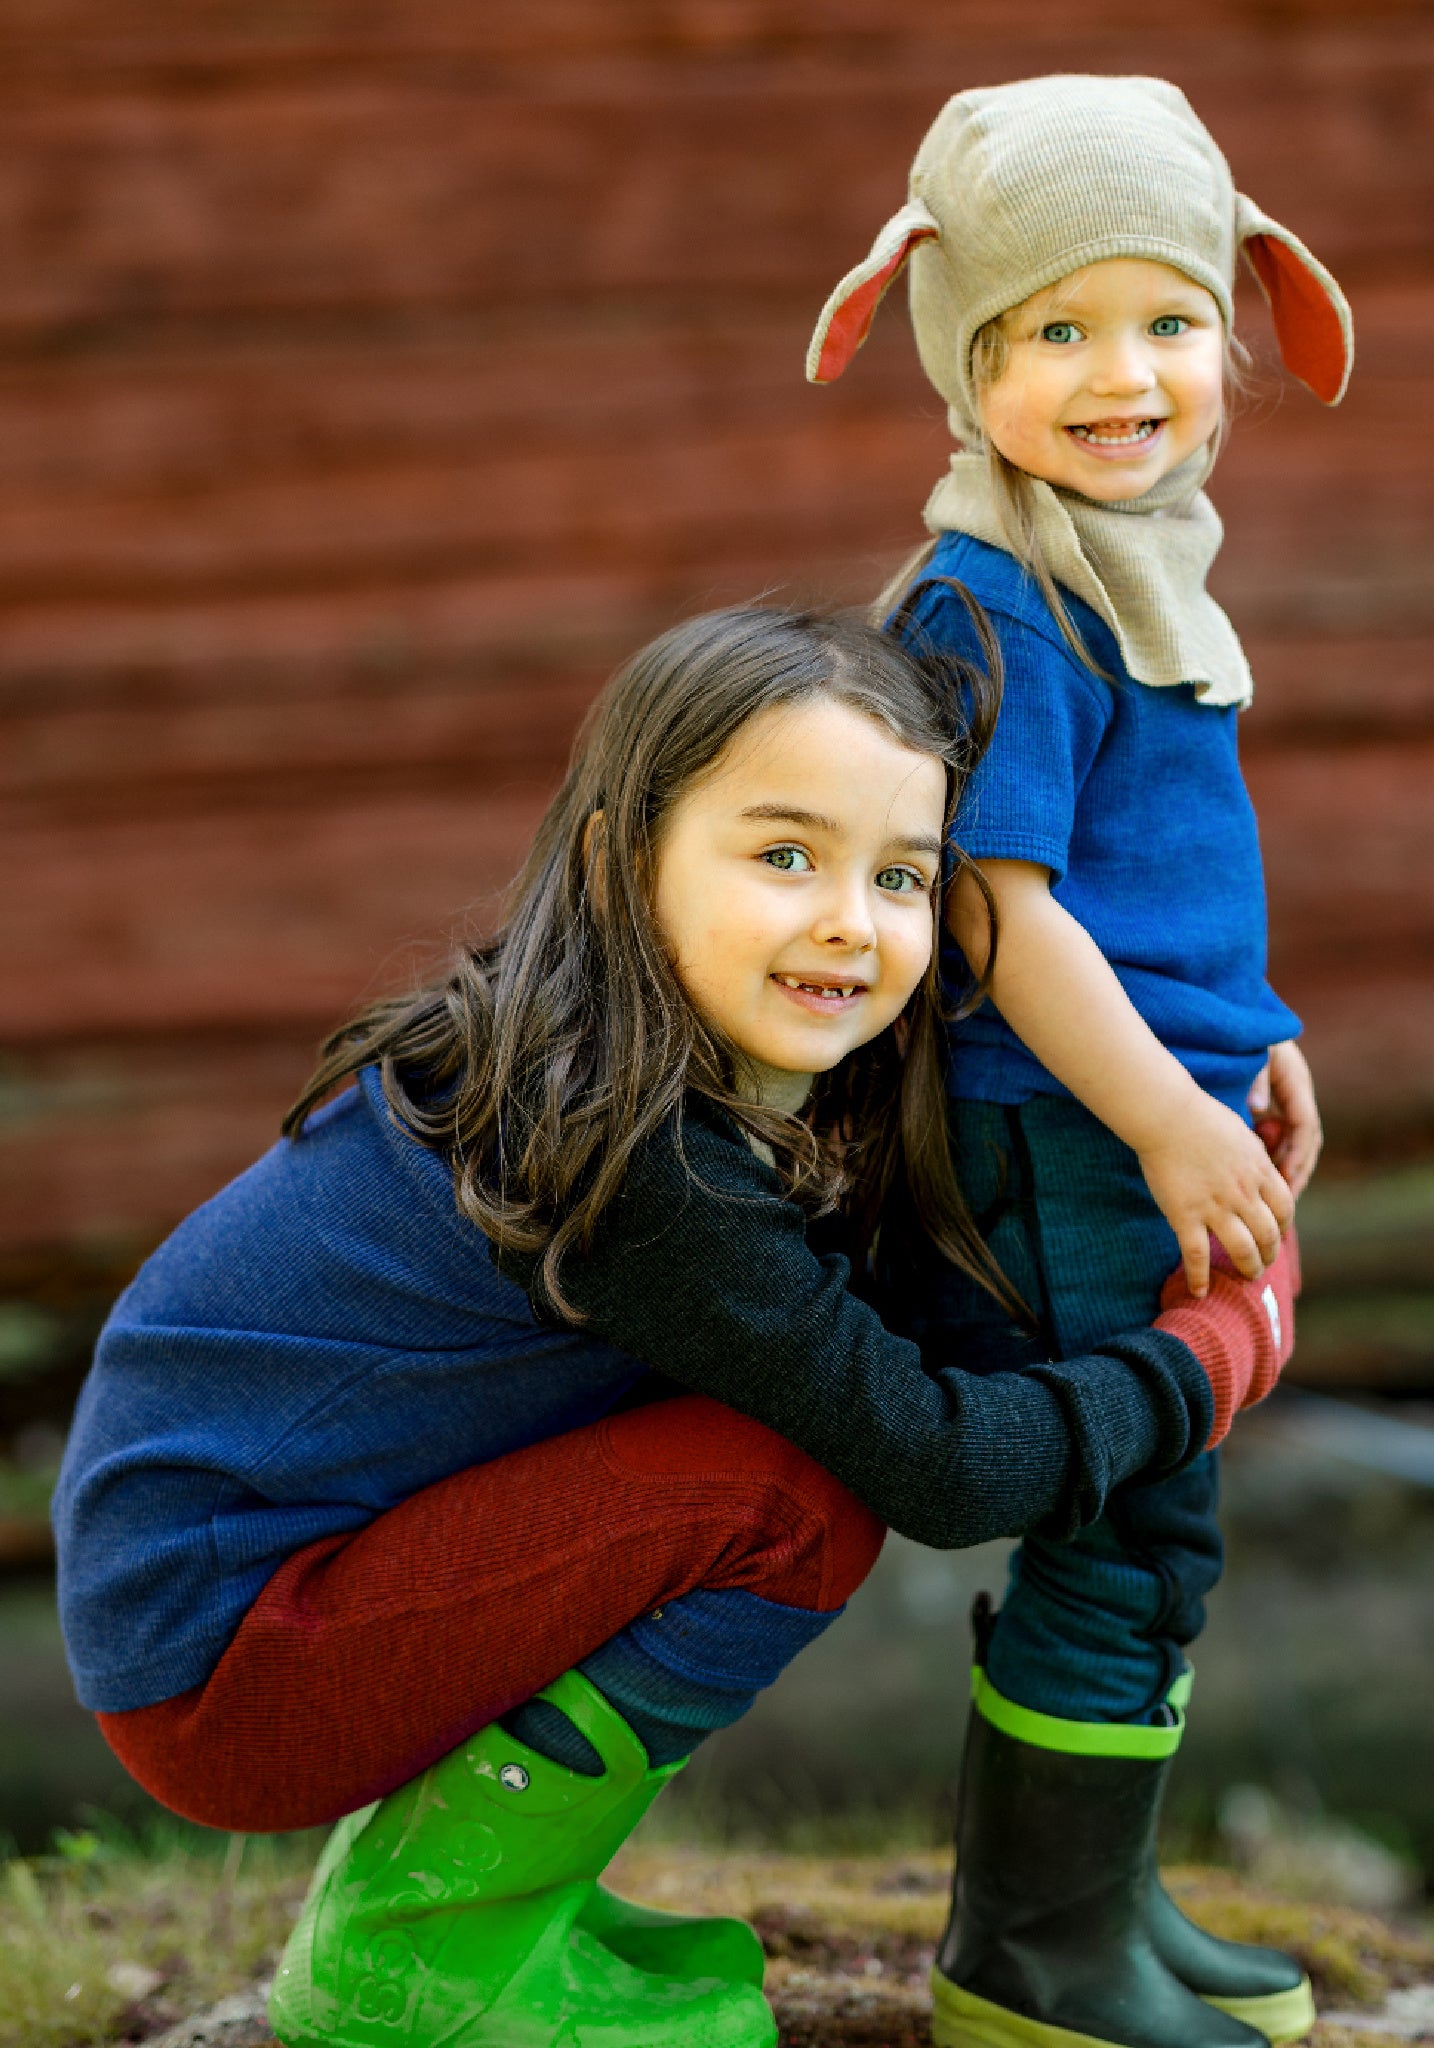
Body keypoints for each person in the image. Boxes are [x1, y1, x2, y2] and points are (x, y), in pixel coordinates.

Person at [54, 605, 1296, 2048]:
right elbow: (948, 1471)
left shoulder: (631, 1067)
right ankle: (420, 1949)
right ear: (618, 860)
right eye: (785, 856)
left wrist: (1219, 1070)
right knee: (788, 1498)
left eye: (902, 876)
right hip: (227, 1670)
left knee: (788, 1438)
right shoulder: (636, 1163)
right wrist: (1218, 1351)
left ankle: (483, 1896)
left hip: (258, 1602)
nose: (852, 920)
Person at [806, 72, 1351, 2048]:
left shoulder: (1135, 563)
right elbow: (1004, 916)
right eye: (1053, 330)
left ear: (1236, 327)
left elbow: (1157, 877)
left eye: (1166, 320)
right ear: (964, 355)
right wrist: (1169, 1116)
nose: (1122, 376)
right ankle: (1033, 1962)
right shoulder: (1002, 598)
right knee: (1124, 1521)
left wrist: (1255, 1037)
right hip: (1066, 1131)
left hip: (1148, 1103)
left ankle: (1097, 1902)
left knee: (1159, 1519)